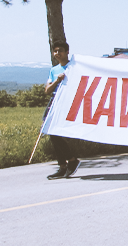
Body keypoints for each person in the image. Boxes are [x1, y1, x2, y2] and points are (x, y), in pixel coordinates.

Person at [44, 42, 81, 180]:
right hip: (55, 103)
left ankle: (71, 160)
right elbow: (47, 90)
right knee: (52, 132)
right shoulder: (54, 70)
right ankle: (63, 165)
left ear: (67, 52)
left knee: (57, 133)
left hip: (68, 103)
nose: (57, 53)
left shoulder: (74, 68)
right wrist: (57, 81)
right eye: (55, 51)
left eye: (60, 51)